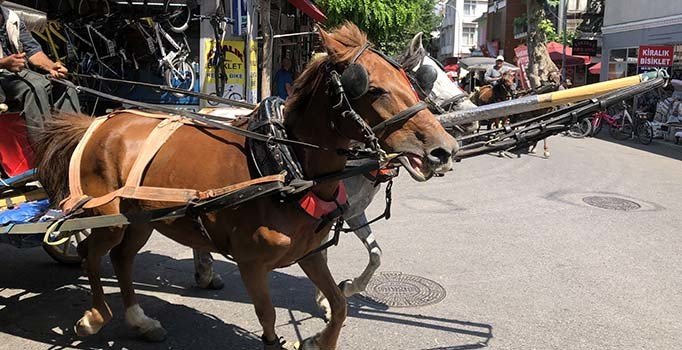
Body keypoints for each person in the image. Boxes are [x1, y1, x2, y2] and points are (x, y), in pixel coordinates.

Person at [0, 2, 80, 144]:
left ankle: (72, 142)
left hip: (15, 73)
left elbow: (33, 51)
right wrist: (3, 63)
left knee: (65, 85)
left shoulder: (12, 17)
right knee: (35, 86)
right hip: (3, 76)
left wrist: (51, 67)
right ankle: (43, 146)